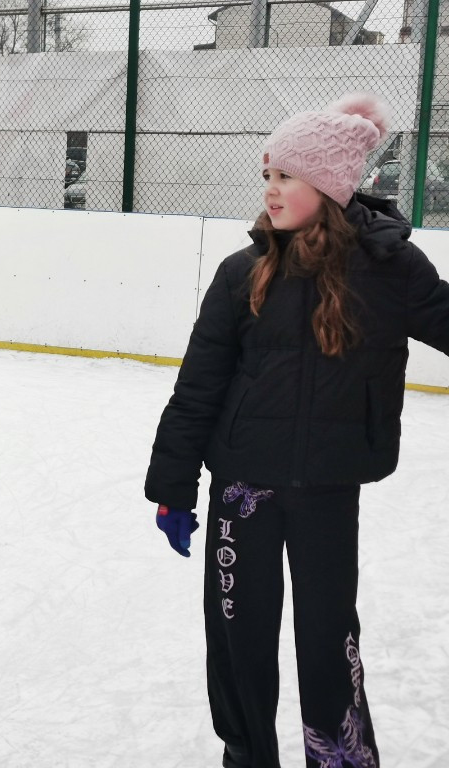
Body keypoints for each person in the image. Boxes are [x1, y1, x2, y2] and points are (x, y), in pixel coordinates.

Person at [145, 92, 449, 768]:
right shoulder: (241, 273)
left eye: (288, 175)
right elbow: (198, 388)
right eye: (269, 175)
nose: (272, 190)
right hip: (240, 490)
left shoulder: (389, 269)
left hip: (327, 491)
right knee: (237, 639)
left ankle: (339, 758)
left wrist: (393, 254)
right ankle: (247, 756)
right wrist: (173, 487)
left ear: (330, 183)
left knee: (327, 639)